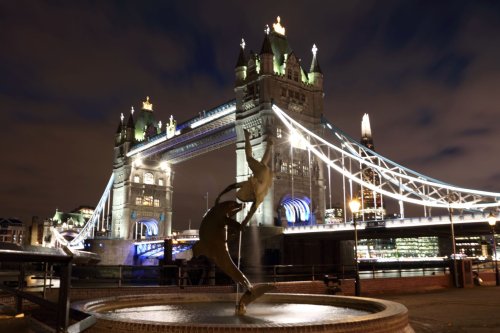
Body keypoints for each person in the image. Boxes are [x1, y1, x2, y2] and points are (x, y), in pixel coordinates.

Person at [216, 129, 273, 227]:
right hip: (263, 173)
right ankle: (251, 138)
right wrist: (221, 194)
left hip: (267, 173)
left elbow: (250, 213)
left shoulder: (259, 197)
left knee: (256, 160)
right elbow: (232, 186)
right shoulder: (252, 186)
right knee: (251, 158)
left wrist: (244, 223)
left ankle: (260, 142)